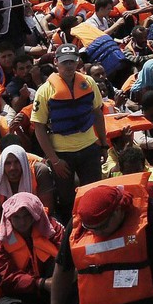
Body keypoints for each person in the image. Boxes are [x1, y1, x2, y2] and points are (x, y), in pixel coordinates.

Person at [31, 43, 108, 222]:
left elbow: (98, 113)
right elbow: (39, 127)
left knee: (93, 191)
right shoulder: (45, 91)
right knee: (66, 198)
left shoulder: (88, 83)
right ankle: (69, 230)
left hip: (89, 148)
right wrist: (54, 160)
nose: (69, 66)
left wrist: (103, 145)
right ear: (56, 62)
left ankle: (96, 224)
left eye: (72, 62)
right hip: (62, 155)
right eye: (65, 62)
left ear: (78, 62)